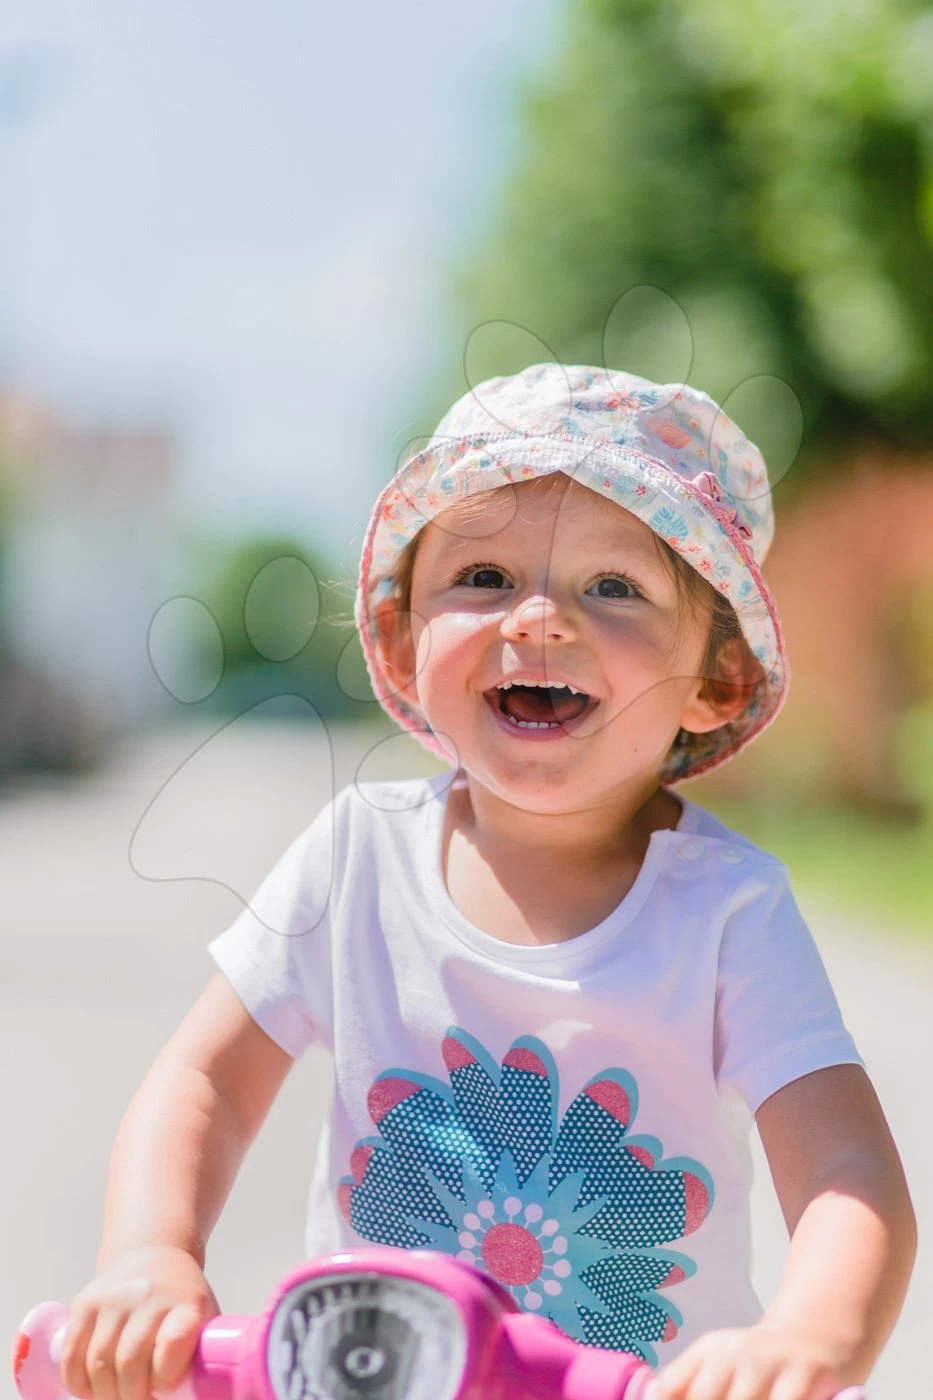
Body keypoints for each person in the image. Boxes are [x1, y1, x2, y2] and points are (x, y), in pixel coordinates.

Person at [60, 365, 916, 1400]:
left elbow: (846, 1175)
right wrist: (150, 1250)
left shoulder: (728, 912)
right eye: (482, 578)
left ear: (714, 680)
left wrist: (812, 1334)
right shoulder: (356, 856)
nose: (539, 616)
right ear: (402, 640)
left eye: (614, 586)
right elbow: (203, 1081)